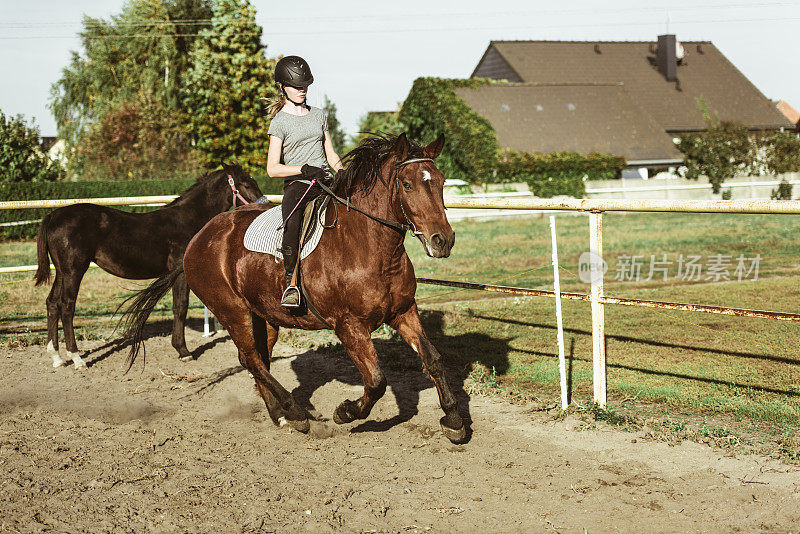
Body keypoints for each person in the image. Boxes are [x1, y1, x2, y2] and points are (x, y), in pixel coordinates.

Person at [266, 55, 343, 307]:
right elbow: (272, 169)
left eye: (305, 86)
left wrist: (342, 171)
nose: (302, 90)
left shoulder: (319, 115)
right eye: (297, 86)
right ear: (282, 87)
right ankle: (291, 282)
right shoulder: (279, 123)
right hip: (298, 184)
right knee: (293, 223)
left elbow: (330, 152)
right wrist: (303, 169)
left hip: (325, 179)